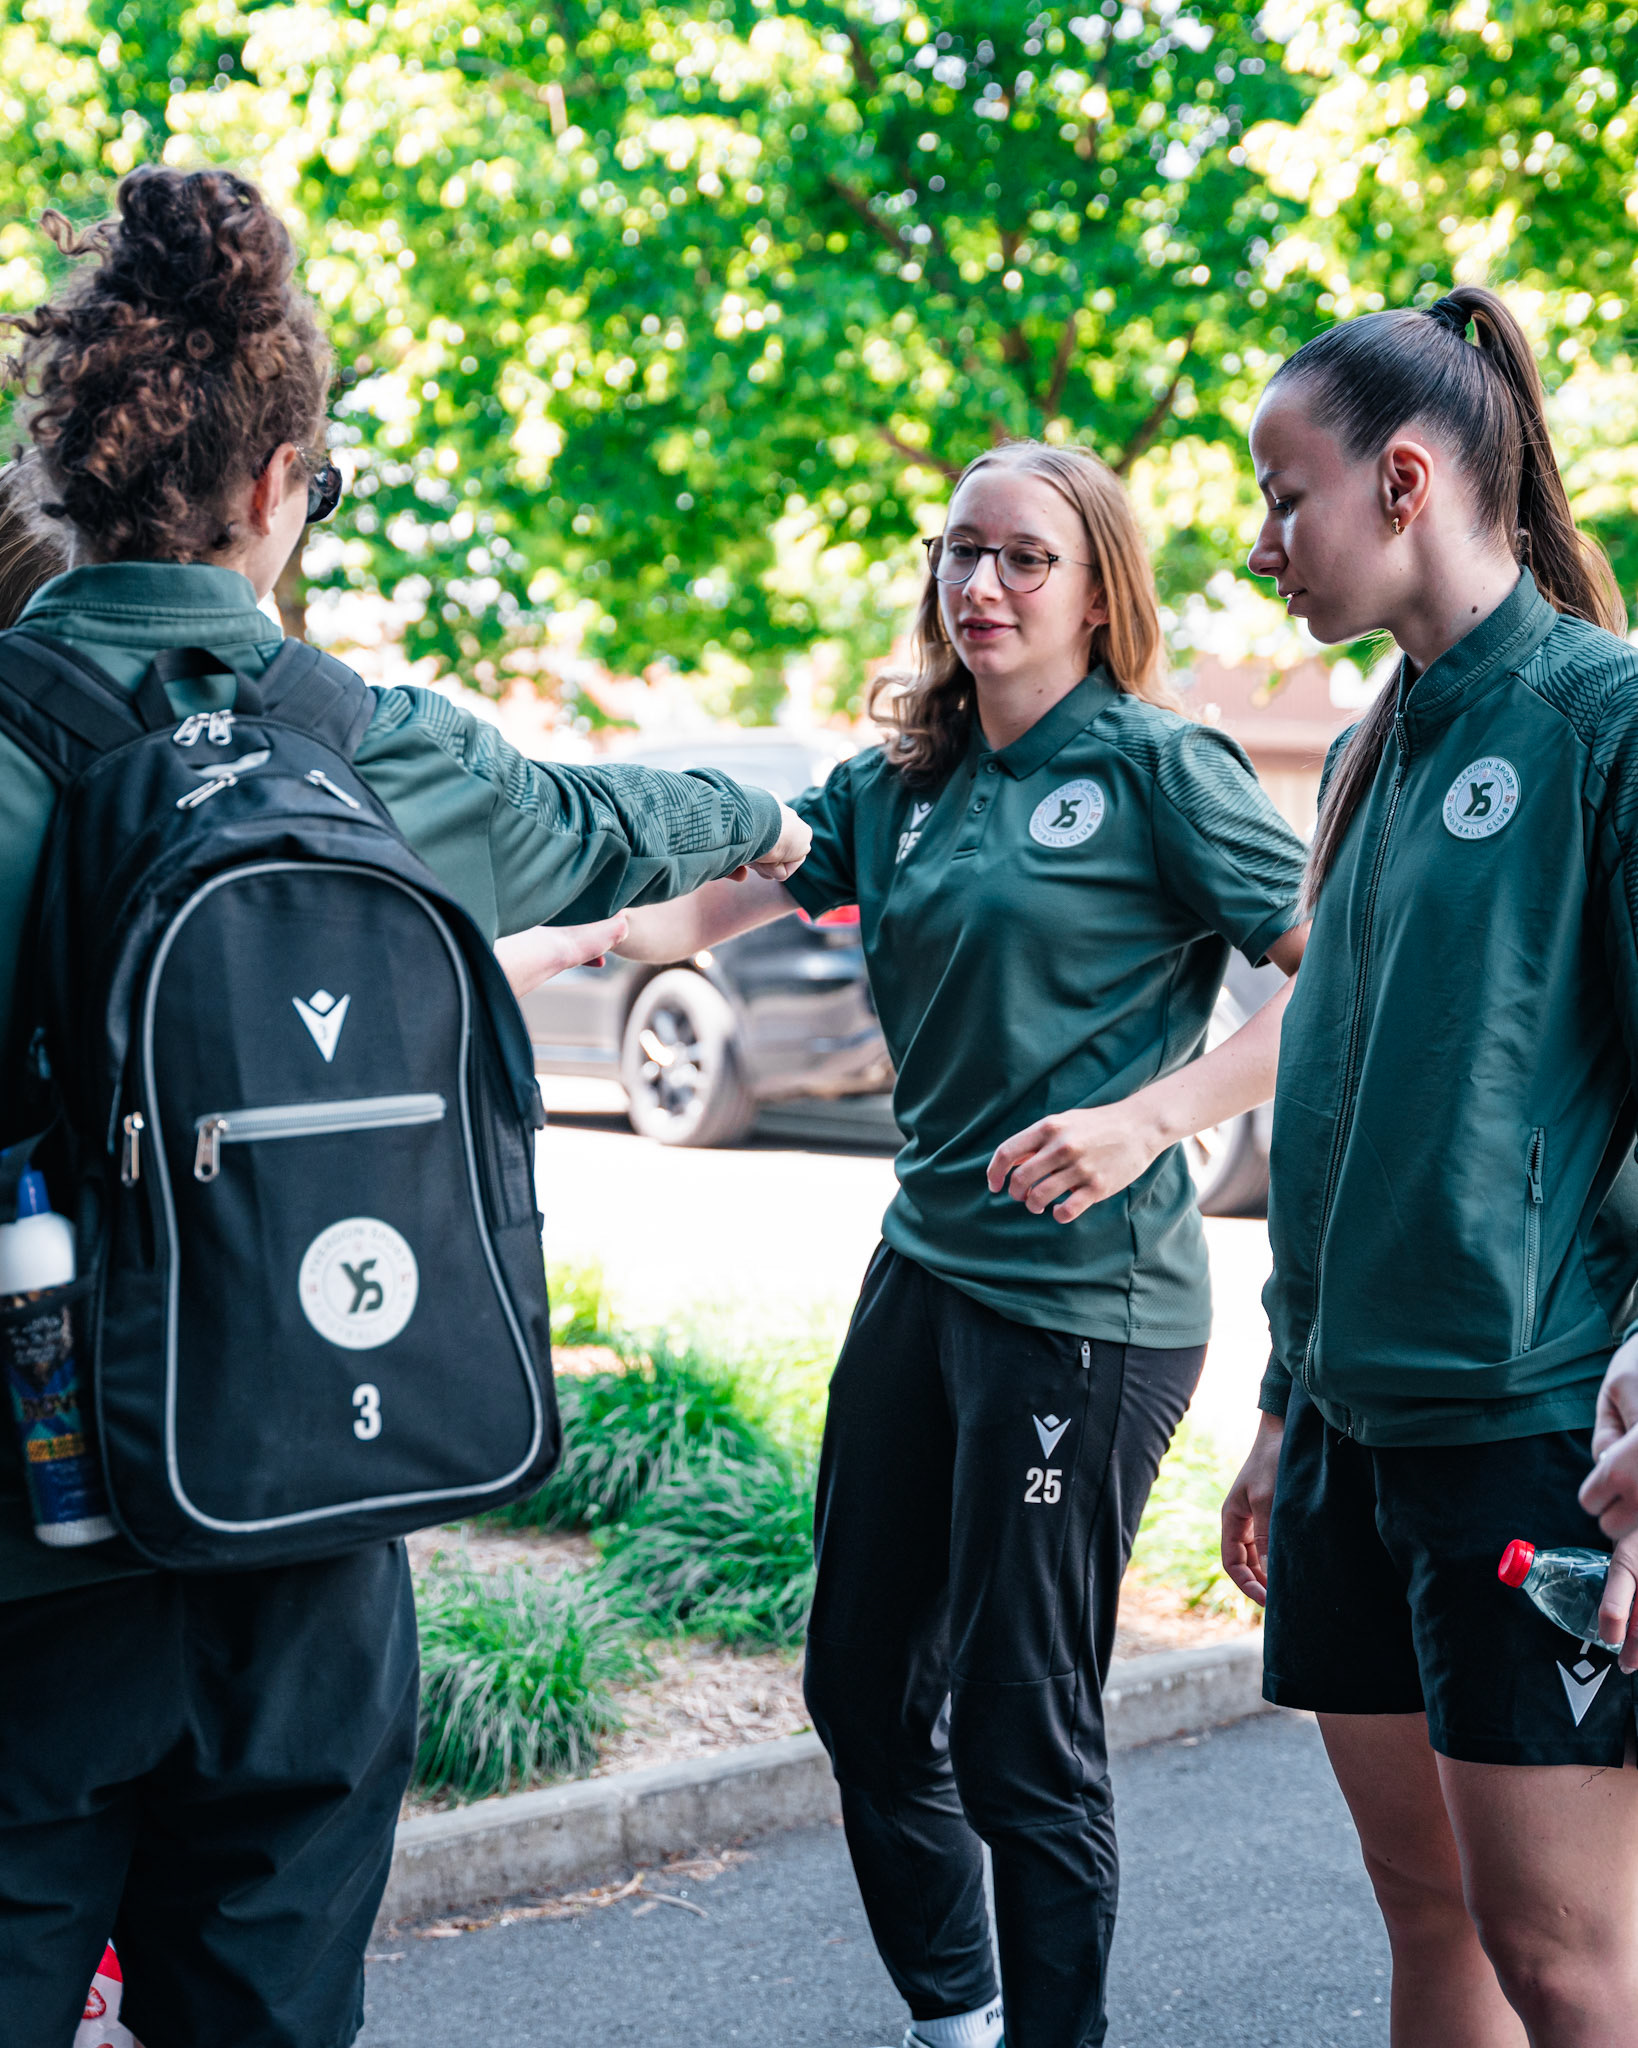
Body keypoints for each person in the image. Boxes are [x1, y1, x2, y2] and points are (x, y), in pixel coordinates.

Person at [0, 165, 809, 2048]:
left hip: (30, 1555)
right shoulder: (375, 753)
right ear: (284, 487)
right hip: (312, 1535)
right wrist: (772, 821)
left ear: (56, 483)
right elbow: (607, 825)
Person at [616, 438, 1309, 2048]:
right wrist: (523, 917)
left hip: (1089, 1308)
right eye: (958, 552)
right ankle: (959, 2016)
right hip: (923, 1272)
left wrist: (1149, 1117)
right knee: (860, 1694)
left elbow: (1342, 970)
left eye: (1022, 559)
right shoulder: (897, 785)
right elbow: (676, 917)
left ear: (1095, 591)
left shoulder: (1158, 768)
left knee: (1018, 1724)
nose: (979, 585)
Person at [1221, 284, 1638, 2048]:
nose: (1260, 546)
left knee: (1562, 1960)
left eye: (1282, 493)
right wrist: (1275, 1397)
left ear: (1401, 483)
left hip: (1522, 1432)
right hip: (1341, 1431)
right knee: (1431, 1923)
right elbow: (1336, 1102)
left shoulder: (1599, 720)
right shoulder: (1371, 744)